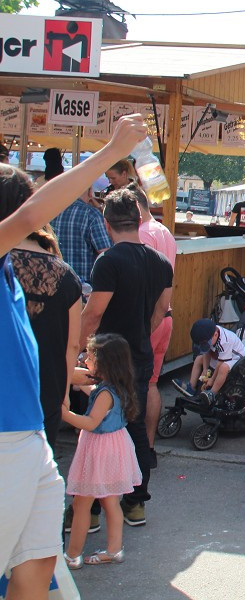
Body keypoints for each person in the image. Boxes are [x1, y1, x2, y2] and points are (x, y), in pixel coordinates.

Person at [0, 115, 142, 598]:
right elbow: (27, 215)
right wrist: (109, 152)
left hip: (28, 433)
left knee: (39, 563)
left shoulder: (12, 267)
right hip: (7, 436)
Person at [80, 187, 173, 527]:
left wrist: (78, 348)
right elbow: (161, 310)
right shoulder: (160, 261)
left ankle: (87, 511)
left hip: (107, 357)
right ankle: (135, 503)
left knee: (97, 430)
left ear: (107, 223)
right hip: (139, 351)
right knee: (133, 429)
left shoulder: (109, 261)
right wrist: (139, 334)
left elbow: (93, 315)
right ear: (138, 218)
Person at [1, 166, 83, 453]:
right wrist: (65, 394)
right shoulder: (66, 276)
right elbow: (72, 345)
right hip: (45, 387)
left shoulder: (9, 263)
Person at [62, 334, 143, 569]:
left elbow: (90, 422)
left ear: (104, 362)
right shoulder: (115, 388)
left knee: (81, 505)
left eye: (89, 356)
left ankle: (72, 555)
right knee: (110, 502)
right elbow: (96, 394)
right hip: (115, 446)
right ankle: (114, 550)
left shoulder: (105, 394)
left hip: (99, 450)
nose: (85, 360)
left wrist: (63, 413)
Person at [133, 185, 176, 467]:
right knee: (150, 383)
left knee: (136, 383)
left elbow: (143, 280)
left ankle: (135, 449)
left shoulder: (143, 233)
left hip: (149, 316)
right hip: (166, 314)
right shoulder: (163, 231)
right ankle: (147, 447)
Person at [174, 319, 245, 403]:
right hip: (220, 354)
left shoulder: (224, 341)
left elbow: (221, 363)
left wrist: (212, 379)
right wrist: (205, 370)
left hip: (236, 357)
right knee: (199, 359)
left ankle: (212, 393)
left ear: (216, 334)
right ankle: (191, 387)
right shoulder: (211, 337)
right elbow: (206, 352)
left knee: (223, 368)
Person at [51, 185, 112, 284]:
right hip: (84, 283)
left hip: (57, 279)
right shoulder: (92, 214)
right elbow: (105, 252)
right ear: (90, 192)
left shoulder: (53, 212)